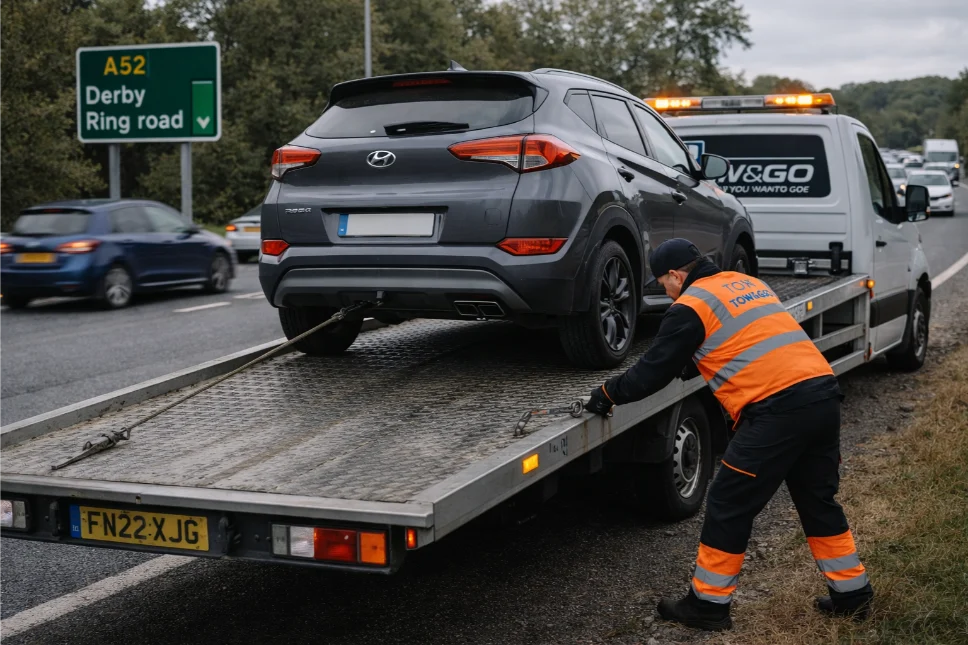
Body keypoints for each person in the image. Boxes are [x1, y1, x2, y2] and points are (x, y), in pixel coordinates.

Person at [585, 238, 873, 631]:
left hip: (778, 411)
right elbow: (743, 338)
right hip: (822, 395)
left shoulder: (690, 305)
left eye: (663, 283)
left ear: (676, 275)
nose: (665, 292)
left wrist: (607, 394)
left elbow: (652, 372)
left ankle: (707, 605)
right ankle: (853, 595)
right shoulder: (747, 283)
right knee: (817, 500)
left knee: (728, 501)